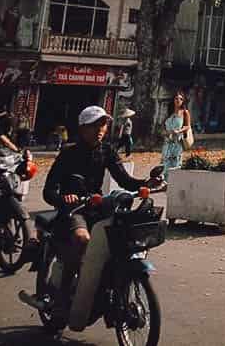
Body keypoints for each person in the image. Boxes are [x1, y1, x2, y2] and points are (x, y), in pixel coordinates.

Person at [39, 106, 161, 309]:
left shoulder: (107, 150)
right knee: (82, 239)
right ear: (83, 128)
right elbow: (49, 191)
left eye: (103, 124)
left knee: (122, 238)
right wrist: (64, 198)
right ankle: (63, 295)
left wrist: (146, 184)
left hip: (98, 207)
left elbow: (125, 180)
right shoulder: (68, 154)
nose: (100, 129)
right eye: (95, 124)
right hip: (74, 210)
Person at [161, 91, 191, 171]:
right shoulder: (169, 112)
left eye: (180, 99)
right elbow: (163, 126)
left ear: (183, 101)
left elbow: (187, 126)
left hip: (177, 142)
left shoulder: (185, 112)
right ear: (173, 100)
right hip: (167, 142)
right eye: (176, 98)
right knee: (165, 165)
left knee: (175, 164)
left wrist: (179, 131)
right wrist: (165, 132)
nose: (178, 100)